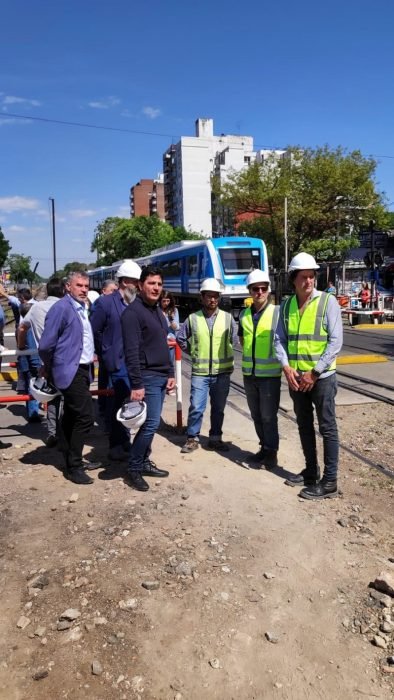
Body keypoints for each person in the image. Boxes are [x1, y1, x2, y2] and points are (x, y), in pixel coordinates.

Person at [274, 252, 343, 500]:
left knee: (327, 427)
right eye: (304, 277)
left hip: (321, 378)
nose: (309, 281)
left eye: (312, 276)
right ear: (293, 279)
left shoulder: (327, 302)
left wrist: (314, 372)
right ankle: (311, 473)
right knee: (304, 425)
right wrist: (287, 367)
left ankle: (330, 481)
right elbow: (279, 340)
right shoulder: (286, 306)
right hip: (297, 379)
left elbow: (335, 342)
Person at [39, 271, 96, 485]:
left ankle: (72, 456)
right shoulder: (61, 308)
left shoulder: (82, 307)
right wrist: (49, 365)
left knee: (72, 414)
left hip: (82, 368)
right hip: (69, 370)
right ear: (68, 287)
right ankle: (74, 466)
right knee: (85, 416)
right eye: (79, 285)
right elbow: (45, 345)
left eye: (86, 286)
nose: (83, 289)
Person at [121, 266, 175, 492]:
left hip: (161, 375)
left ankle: (142, 462)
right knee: (150, 424)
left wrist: (171, 373)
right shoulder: (132, 313)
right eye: (152, 283)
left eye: (159, 284)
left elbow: (164, 344)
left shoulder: (157, 311)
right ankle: (133, 467)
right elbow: (131, 352)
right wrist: (137, 384)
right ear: (141, 285)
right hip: (147, 376)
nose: (156, 288)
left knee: (150, 424)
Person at [177, 278, 237, 454]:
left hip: (222, 373)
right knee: (196, 406)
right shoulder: (193, 319)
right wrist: (193, 352)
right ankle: (192, 438)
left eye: (215, 296)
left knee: (218, 408)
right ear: (202, 297)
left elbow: (234, 342)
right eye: (209, 296)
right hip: (200, 373)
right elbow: (180, 338)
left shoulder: (227, 319)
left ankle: (215, 439)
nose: (213, 300)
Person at [91, 259, 142, 460]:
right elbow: (93, 331)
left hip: (133, 364)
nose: (138, 286)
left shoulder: (135, 303)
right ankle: (115, 445)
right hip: (114, 363)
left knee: (129, 404)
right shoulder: (104, 303)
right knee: (115, 405)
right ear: (123, 282)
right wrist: (104, 352)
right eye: (135, 282)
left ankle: (125, 441)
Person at [238, 270, 282, 470]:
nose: (260, 292)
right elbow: (242, 340)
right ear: (249, 291)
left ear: (268, 290)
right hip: (249, 374)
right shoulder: (244, 314)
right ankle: (264, 447)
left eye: (263, 288)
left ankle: (272, 453)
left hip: (270, 376)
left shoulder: (277, 313)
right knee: (256, 415)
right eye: (255, 289)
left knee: (268, 416)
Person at [18, 278, 64, 446]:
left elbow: (22, 327)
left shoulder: (36, 307)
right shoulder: (67, 306)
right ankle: (65, 432)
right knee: (71, 397)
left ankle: (53, 432)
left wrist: (21, 345)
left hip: (46, 359)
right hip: (68, 359)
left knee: (52, 396)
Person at [17, 303, 41, 423]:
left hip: (24, 362)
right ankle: (34, 413)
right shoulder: (30, 328)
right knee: (33, 386)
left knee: (29, 387)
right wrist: (37, 364)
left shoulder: (22, 327)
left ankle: (32, 411)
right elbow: (32, 348)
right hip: (32, 362)